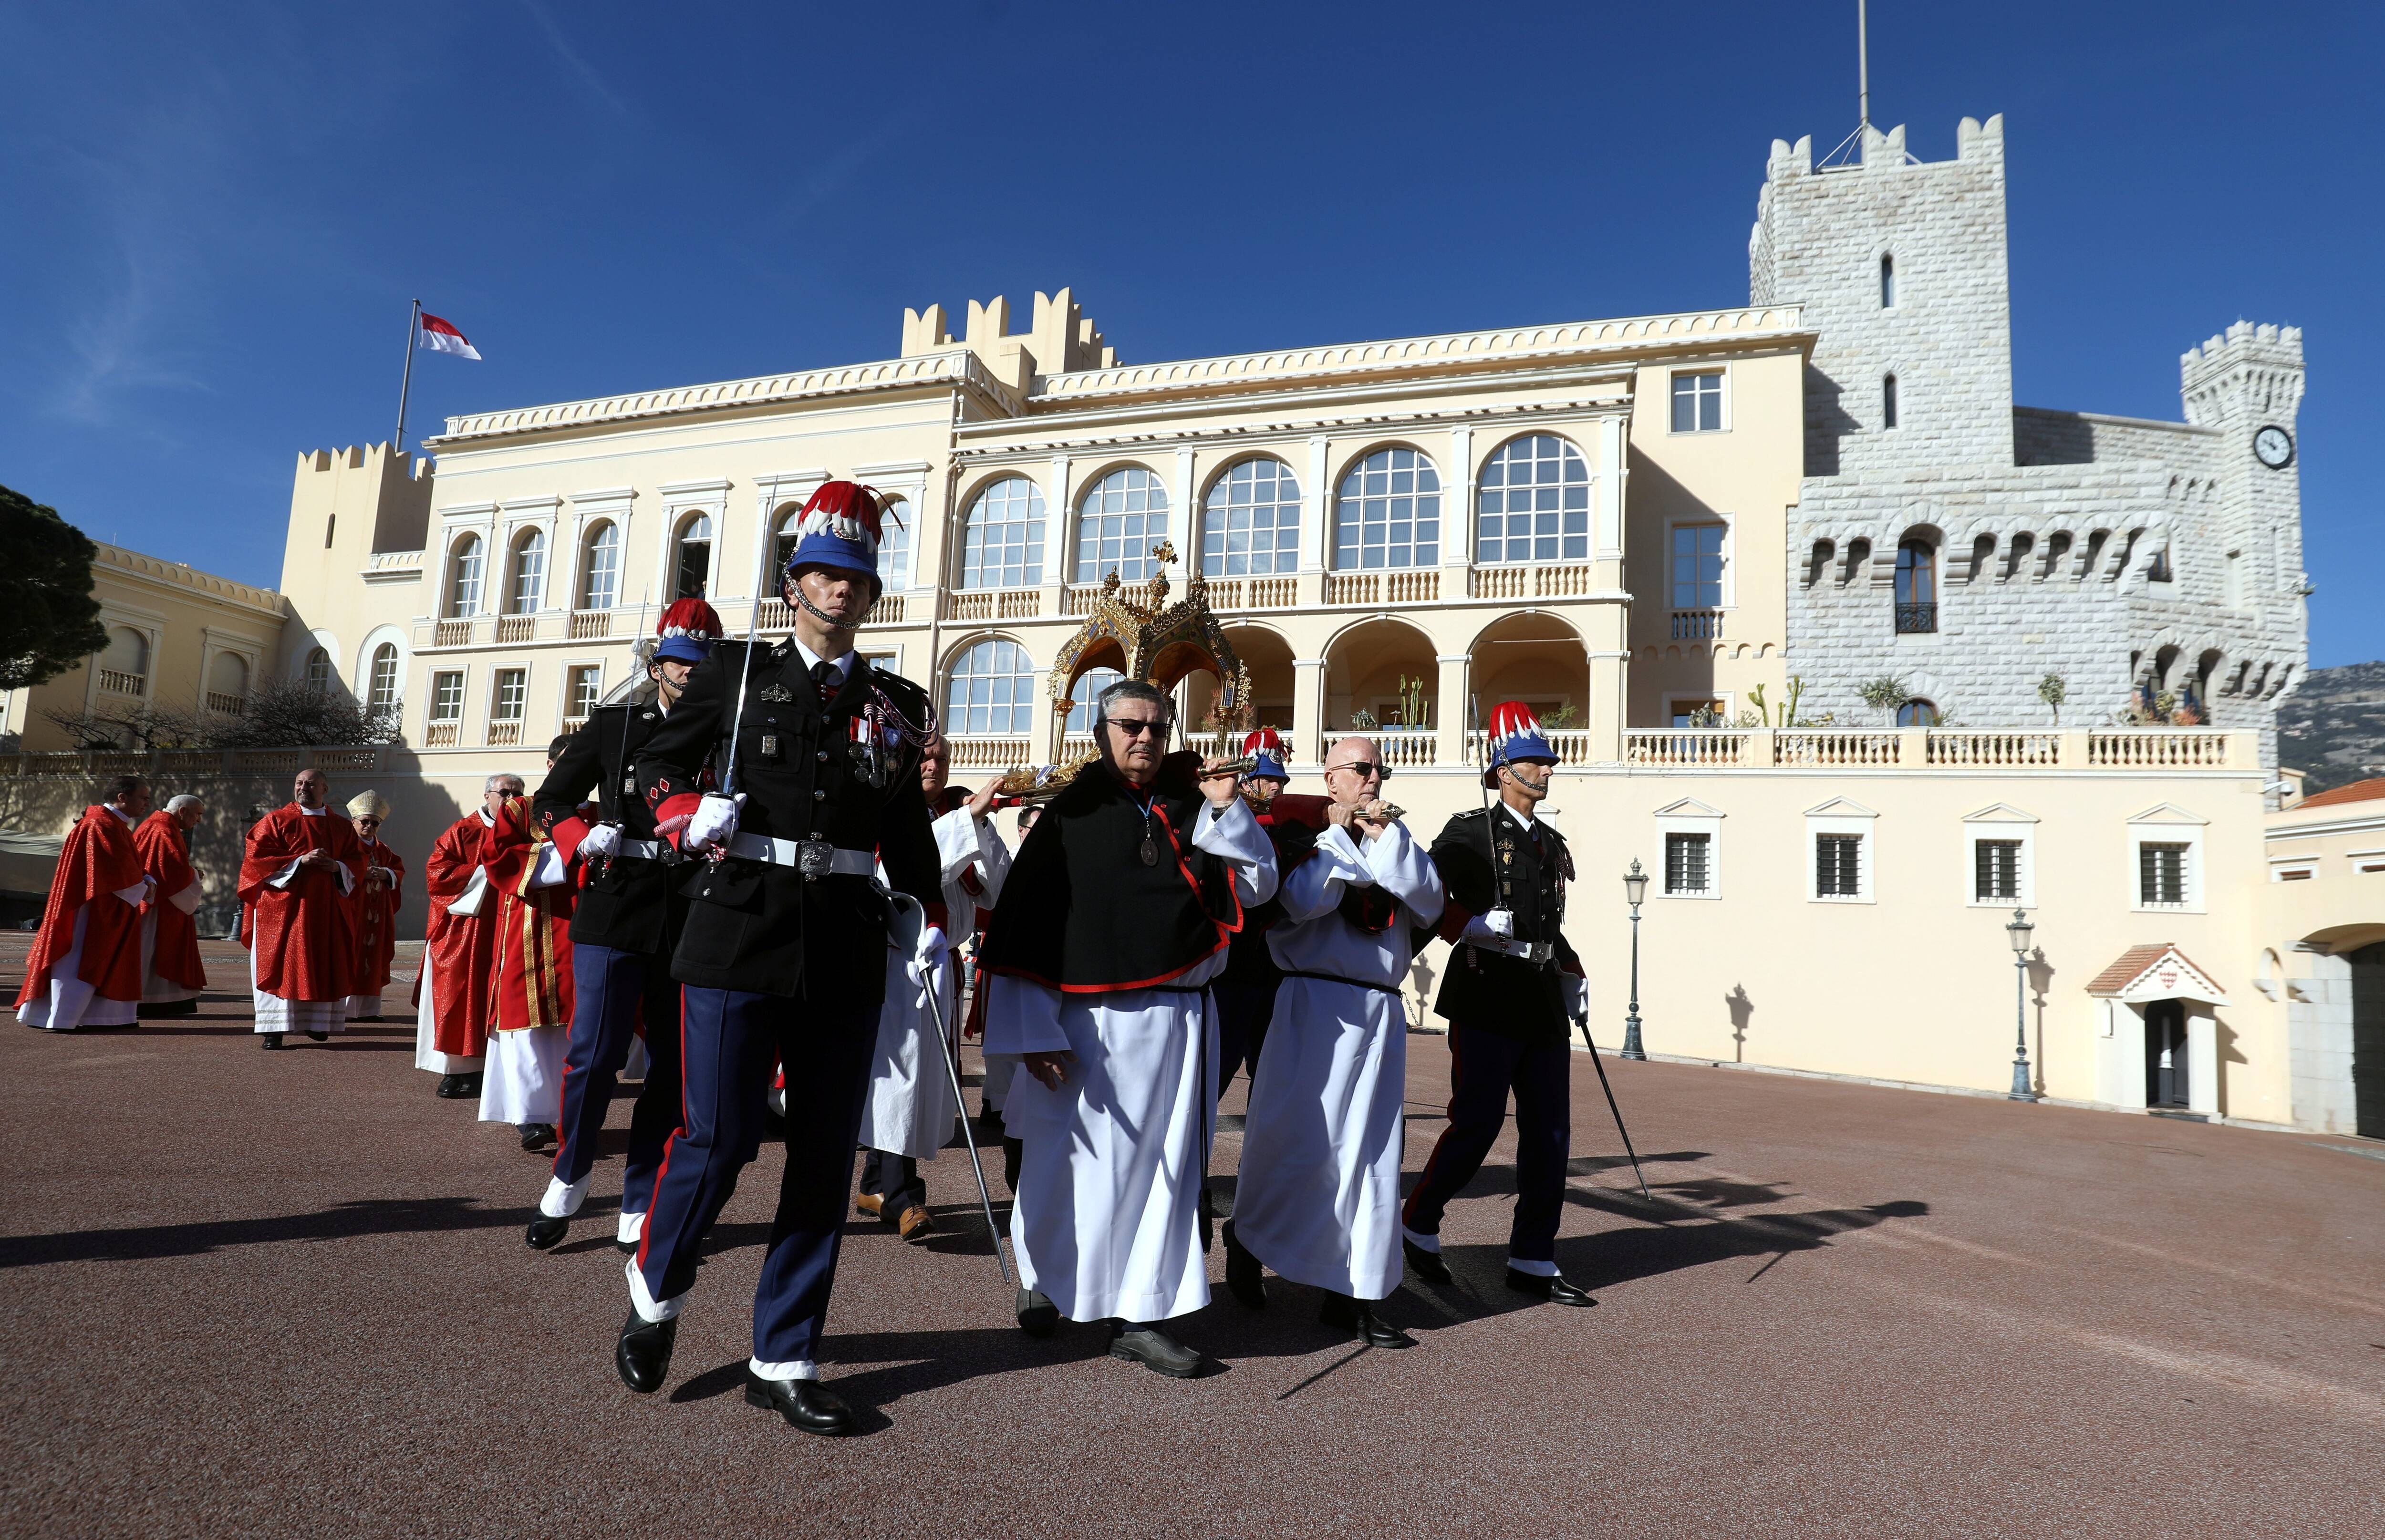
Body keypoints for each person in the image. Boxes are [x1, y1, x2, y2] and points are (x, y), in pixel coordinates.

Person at [617, 480, 943, 1437]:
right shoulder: (734, 673)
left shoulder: (894, 704)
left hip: (844, 939)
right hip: (738, 928)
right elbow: (653, 763)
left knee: (824, 1154)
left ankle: (785, 1353)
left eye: (857, 578)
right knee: (717, 1136)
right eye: (826, 573)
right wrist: (681, 811)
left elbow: (904, 826)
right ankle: (657, 1287)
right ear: (794, 581)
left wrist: (927, 912)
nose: (841, 590)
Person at [977, 679, 1277, 1379]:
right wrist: (1032, 1032)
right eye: (1130, 725)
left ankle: (1141, 1314)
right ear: (1102, 731)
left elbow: (1257, 885)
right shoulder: (1070, 813)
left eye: (1156, 727)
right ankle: (1043, 1278)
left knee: (1166, 1175)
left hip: (1182, 1020)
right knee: (1067, 1163)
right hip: (1089, 1024)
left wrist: (1226, 810)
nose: (1144, 738)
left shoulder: (1192, 805)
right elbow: (1026, 926)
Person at [1224, 734, 1441, 1347]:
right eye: (1361, 768)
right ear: (1331, 778)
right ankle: (1247, 1235)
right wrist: (1337, 836)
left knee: (1371, 1155)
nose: (1374, 778)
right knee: (1297, 1145)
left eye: (1380, 769)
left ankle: (1353, 1294)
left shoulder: (1394, 837)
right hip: (1312, 1006)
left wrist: (1382, 838)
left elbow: (1430, 900)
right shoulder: (1299, 836)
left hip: (1378, 1011)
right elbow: (1300, 901)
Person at [524, 598, 720, 1253]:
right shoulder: (616, 725)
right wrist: (579, 837)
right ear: (656, 665)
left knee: (671, 1064)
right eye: (680, 663)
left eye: (701, 664)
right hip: (617, 899)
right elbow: (550, 798)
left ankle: (640, 1194)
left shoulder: (728, 735)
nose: (690, 674)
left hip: (692, 907)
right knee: (594, 1053)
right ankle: (570, 1172)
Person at [1399, 703, 1595, 1308]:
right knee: (1477, 1123)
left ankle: (1532, 1255)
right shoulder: (1469, 832)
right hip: (1486, 994)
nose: (1547, 770)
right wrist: (1470, 924)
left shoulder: (1549, 843)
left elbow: (1547, 924)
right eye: (1535, 762)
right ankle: (1418, 1220)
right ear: (1503, 771)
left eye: (1547, 762)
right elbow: (1425, 897)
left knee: (1550, 1132)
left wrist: (1571, 969)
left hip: (1540, 1002)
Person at [854, 734, 1011, 1242]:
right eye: (924, 756)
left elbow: (997, 888)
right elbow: (898, 872)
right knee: (897, 1077)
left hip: (942, 963)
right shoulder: (883, 808)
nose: (933, 765)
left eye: (941, 758)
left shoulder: (956, 811)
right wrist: (965, 822)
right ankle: (904, 1195)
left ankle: (877, 1184)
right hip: (894, 960)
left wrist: (978, 824)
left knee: (922, 1080)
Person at [16, 776, 154, 1032]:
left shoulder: (111, 823)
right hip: (93, 908)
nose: (147, 803)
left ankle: (96, 1017)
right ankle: (63, 1018)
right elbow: (113, 870)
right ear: (122, 797)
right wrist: (145, 885)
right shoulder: (102, 824)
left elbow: (123, 866)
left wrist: (144, 879)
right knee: (78, 960)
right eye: (143, 798)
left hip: (105, 903)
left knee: (91, 960)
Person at [240, 767, 363, 1050]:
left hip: (326, 909)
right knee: (280, 963)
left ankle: (316, 1022)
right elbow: (255, 860)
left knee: (322, 960)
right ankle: (274, 1029)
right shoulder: (275, 821)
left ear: (325, 789)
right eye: (299, 783)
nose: (304, 788)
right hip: (282, 910)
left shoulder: (342, 826)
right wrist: (299, 861)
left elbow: (357, 861)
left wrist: (337, 867)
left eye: (311, 784)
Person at [479, 787, 573, 1153]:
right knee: (524, 1016)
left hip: (577, 930)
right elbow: (497, 857)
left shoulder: (603, 810)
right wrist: (568, 850)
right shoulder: (521, 809)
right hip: (527, 926)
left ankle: (568, 1113)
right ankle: (529, 1116)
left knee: (572, 1022)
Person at [414, 775, 516, 1098]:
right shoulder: (463, 830)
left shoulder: (523, 832)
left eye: (517, 793)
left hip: (507, 929)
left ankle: (486, 1069)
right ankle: (455, 1069)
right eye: (504, 792)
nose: (511, 798)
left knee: (498, 997)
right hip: (464, 931)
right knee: (458, 995)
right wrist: (488, 869)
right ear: (487, 795)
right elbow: (437, 874)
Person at [1213, 728, 1292, 1101]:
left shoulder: (1286, 828)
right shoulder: (1227, 822)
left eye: (1280, 780)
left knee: (1271, 1080)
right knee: (1216, 1071)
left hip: (1271, 972)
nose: (1277, 787)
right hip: (1230, 971)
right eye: (1268, 779)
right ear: (1247, 781)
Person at [136, 793, 208, 1018]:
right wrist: (194, 874)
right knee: (156, 950)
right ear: (182, 811)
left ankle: (158, 999)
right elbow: (170, 870)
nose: (199, 820)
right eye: (197, 815)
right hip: (161, 903)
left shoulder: (156, 825)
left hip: (157, 898)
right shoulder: (164, 829)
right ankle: (156, 1001)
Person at [344, 793, 404, 1022]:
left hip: (378, 914)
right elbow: (338, 869)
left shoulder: (383, 850)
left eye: (375, 823)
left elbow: (398, 869)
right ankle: (347, 1010)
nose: (369, 826)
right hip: (353, 911)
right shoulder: (346, 847)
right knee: (352, 956)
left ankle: (369, 1011)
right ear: (354, 822)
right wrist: (362, 874)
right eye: (365, 821)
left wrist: (387, 874)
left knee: (375, 957)